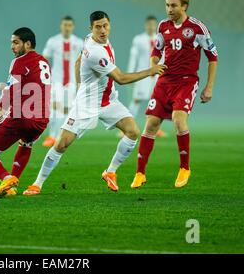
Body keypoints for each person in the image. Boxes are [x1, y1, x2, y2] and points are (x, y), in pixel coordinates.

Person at [23, 11, 166, 195]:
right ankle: (37, 184)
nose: (102, 30)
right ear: (91, 28)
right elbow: (121, 78)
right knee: (62, 144)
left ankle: (110, 172)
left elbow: (77, 62)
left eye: (105, 25)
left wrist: (79, 84)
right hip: (87, 104)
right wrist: (151, 71)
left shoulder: (91, 39)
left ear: (110, 25)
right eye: (98, 27)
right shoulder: (96, 52)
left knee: (132, 131)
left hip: (107, 101)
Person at [131, 0, 218, 189]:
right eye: (167, 5)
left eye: (173, 5)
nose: (169, 9)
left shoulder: (197, 28)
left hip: (186, 81)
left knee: (179, 121)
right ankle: (140, 173)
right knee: (151, 124)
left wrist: (209, 87)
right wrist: (154, 64)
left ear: (184, 6)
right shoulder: (163, 26)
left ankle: (184, 168)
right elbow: (156, 50)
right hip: (165, 81)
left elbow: (212, 57)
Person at [0, 27, 51, 199]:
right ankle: (12, 185)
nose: (12, 46)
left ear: (28, 43)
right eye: (11, 43)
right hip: (41, 119)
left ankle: (7, 178)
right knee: (25, 143)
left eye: (16, 43)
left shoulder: (19, 62)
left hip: (21, 116)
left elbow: (10, 93)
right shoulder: (44, 62)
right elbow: (26, 87)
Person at [41, 16, 83, 147]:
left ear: (73, 27)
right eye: (65, 25)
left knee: (66, 110)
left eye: (69, 25)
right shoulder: (53, 41)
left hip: (72, 81)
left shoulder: (79, 42)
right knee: (55, 107)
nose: (67, 27)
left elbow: (84, 61)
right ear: (61, 26)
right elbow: (44, 59)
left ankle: (59, 136)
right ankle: (52, 136)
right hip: (56, 80)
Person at [126, 16, 166, 137]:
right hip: (143, 74)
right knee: (137, 100)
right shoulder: (138, 39)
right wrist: (130, 73)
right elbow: (134, 57)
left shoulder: (161, 39)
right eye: (149, 24)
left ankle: (156, 129)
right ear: (146, 25)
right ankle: (127, 128)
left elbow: (164, 56)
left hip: (158, 74)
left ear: (156, 25)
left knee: (158, 101)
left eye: (153, 24)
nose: (151, 27)